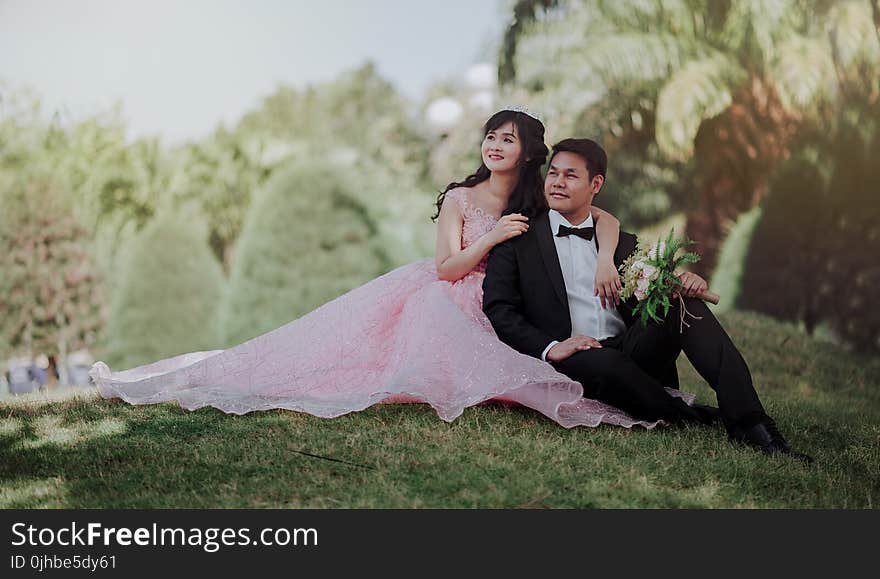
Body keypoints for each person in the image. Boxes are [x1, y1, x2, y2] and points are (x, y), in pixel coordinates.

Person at [90, 110, 680, 429]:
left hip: (507, 302)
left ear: (529, 152)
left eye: (509, 139)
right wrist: (494, 238)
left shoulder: (536, 198)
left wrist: (606, 256)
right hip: (454, 292)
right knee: (367, 356)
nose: (496, 146)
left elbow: (600, 216)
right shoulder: (461, 198)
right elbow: (447, 269)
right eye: (490, 137)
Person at [482, 138, 813, 461]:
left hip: (632, 349)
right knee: (607, 364)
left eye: (571, 175)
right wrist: (553, 346)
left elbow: (654, 292)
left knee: (683, 304)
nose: (557, 182)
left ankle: (751, 422)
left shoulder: (623, 244)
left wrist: (682, 282)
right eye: (553, 173)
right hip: (574, 356)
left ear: (595, 184)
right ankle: (694, 416)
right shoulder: (517, 240)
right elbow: (499, 310)